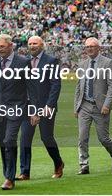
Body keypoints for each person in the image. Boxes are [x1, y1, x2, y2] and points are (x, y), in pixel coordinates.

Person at [0, 34, 38, 190]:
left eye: (2, 46)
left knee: (9, 140)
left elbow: (32, 88)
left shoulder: (24, 62)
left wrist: (34, 111)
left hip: (17, 109)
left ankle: (9, 178)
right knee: (2, 143)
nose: (0, 50)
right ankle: (8, 174)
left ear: (11, 45)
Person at [17, 36, 64, 181]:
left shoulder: (51, 61)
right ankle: (25, 172)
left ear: (42, 45)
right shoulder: (24, 62)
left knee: (46, 137)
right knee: (24, 138)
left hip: (46, 107)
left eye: (35, 43)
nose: (32, 46)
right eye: (30, 44)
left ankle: (58, 163)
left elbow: (55, 86)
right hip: (28, 107)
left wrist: (48, 107)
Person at [74, 37, 112, 174]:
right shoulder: (82, 64)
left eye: (92, 46)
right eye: (87, 47)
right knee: (82, 137)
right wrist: (76, 106)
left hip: (100, 107)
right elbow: (78, 86)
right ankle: (84, 165)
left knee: (103, 138)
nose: (89, 49)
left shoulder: (108, 63)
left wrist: (107, 104)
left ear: (98, 48)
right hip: (84, 106)